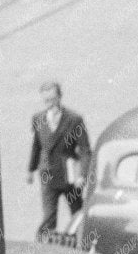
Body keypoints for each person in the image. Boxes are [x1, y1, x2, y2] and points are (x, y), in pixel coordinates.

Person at [27, 80, 91, 237]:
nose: (50, 104)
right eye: (46, 100)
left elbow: (85, 149)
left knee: (77, 214)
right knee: (49, 216)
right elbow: (37, 146)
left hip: (69, 174)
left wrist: (82, 174)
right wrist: (31, 169)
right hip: (48, 173)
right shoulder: (38, 118)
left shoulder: (74, 119)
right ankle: (46, 248)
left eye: (53, 99)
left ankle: (80, 244)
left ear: (60, 97)